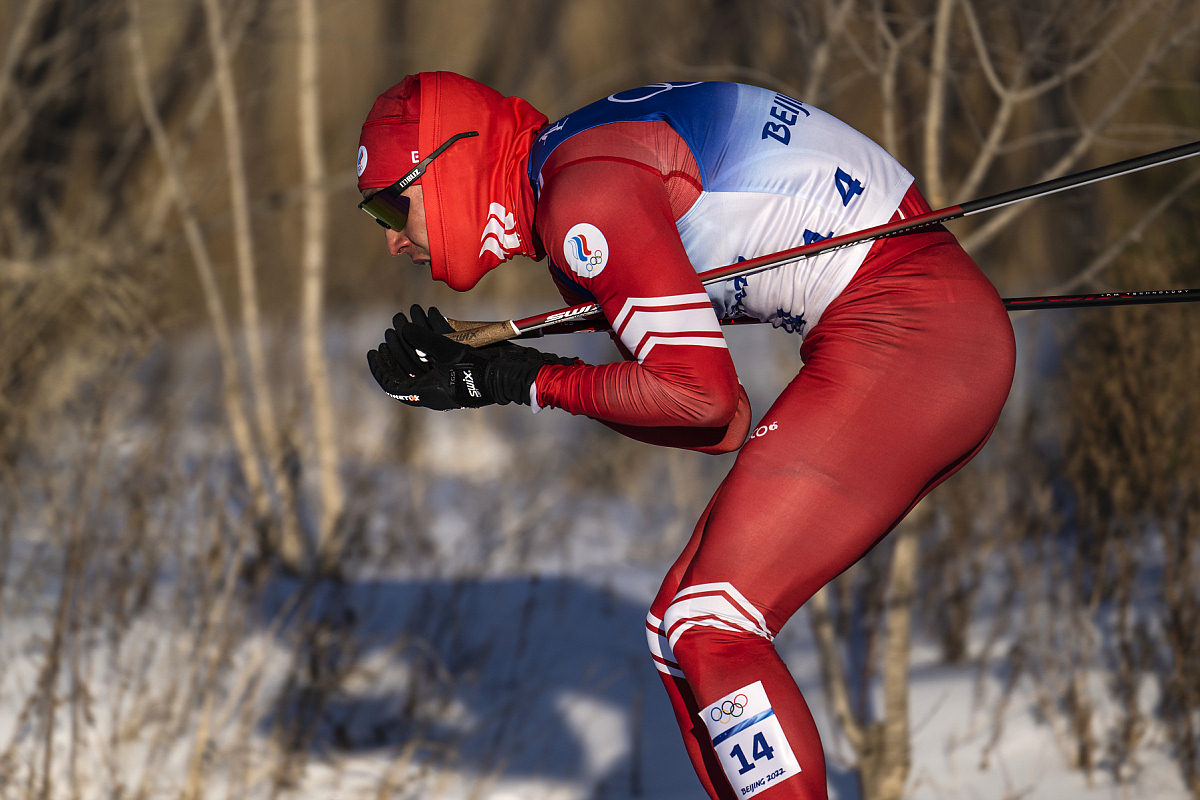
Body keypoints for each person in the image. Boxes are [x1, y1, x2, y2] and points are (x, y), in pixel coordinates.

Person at [357, 71, 1015, 800]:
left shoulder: (584, 199)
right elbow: (721, 420)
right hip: (921, 329)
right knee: (676, 627)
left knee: (713, 619)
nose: (390, 240)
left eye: (392, 203)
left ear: (449, 165)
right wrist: (511, 377)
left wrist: (524, 381)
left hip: (912, 333)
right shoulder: (575, 177)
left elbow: (699, 398)